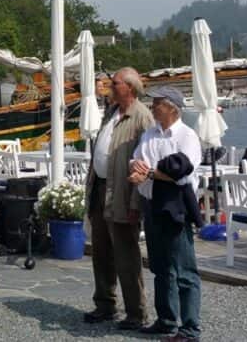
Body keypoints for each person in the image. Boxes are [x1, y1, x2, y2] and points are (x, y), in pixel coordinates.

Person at [129, 86, 204, 341]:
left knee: (183, 269)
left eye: (158, 102)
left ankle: (190, 328)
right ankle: (167, 319)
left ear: (172, 107)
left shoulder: (187, 136)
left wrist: (148, 172)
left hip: (175, 206)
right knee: (161, 267)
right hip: (152, 204)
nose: (153, 105)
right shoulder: (150, 134)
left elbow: (179, 171)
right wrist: (137, 167)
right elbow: (137, 159)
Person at [82, 67, 153, 329]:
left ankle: (136, 312)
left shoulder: (142, 118)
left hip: (123, 194)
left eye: (114, 83)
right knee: (100, 251)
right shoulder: (111, 112)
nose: (109, 87)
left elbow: (145, 164)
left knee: (126, 255)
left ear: (130, 88)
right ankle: (105, 304)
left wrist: (136, 203)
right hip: (101, 188)